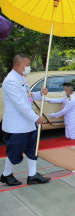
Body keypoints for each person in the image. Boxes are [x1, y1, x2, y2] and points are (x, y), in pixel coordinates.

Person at [1, 53, 51, 186]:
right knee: (15, 152)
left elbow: (27, 97)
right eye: (27, 65)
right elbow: (21, 105)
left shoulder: (22, 78)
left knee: (32, 149)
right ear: (18, 65)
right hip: (17, 126)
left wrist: (39, 94)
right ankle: (6, 175)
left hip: (28, 124)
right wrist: (36, 118)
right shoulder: (11, 80)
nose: (29, 67)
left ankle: (32, 174)